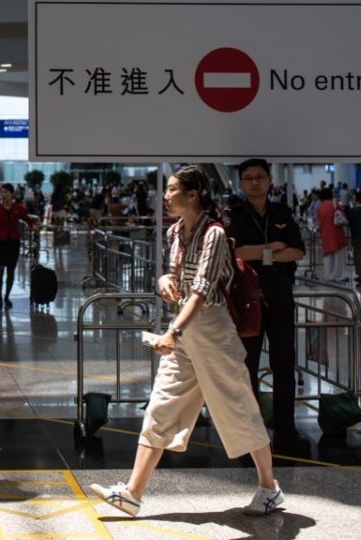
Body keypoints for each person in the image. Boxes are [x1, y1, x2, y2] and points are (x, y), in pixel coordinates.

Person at [91, 165, 282, 517]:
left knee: (237, 407)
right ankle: (132, 493)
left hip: (211, 330)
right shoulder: (176, 231)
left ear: (193, 195)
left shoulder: (215, 234)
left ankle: (269, 488)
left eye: (173, 189)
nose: (165, 195)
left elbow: (202, 291)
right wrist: (165, 279)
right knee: (161, 406)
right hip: (184, 328)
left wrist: (173, 331)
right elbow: (179, 278)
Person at [225, 158, 309, 453]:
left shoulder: (282, 211)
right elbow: (234, 252)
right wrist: (272, 248)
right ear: (241, 182)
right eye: (248, 178)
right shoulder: (232, 214)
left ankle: (286, 431)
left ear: (270, 179)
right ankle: (251, 434)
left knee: (284, 364)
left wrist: (260, 255)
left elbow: (297, 251)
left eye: (260, 177)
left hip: (280, 295)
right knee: (246, 366)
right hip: (246, 300)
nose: (255, 183)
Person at [0, 183, 36, 309]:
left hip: (14, 242)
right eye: (2, 192)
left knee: (10, 270)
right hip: (0, 242)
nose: (3, 194)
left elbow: (26, 218)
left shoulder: (18, 208)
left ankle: (7, 296)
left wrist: (33, 225)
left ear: (12, 194)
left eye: (6, 192)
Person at [316, 187, 348, 283]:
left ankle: (328, 275)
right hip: (337, 233)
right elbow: (343, 216)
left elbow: (319, 223)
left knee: (328, 256)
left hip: (325, 233)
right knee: (339, 256)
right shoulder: (335, 204)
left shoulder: (320, 207)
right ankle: (339, 275)